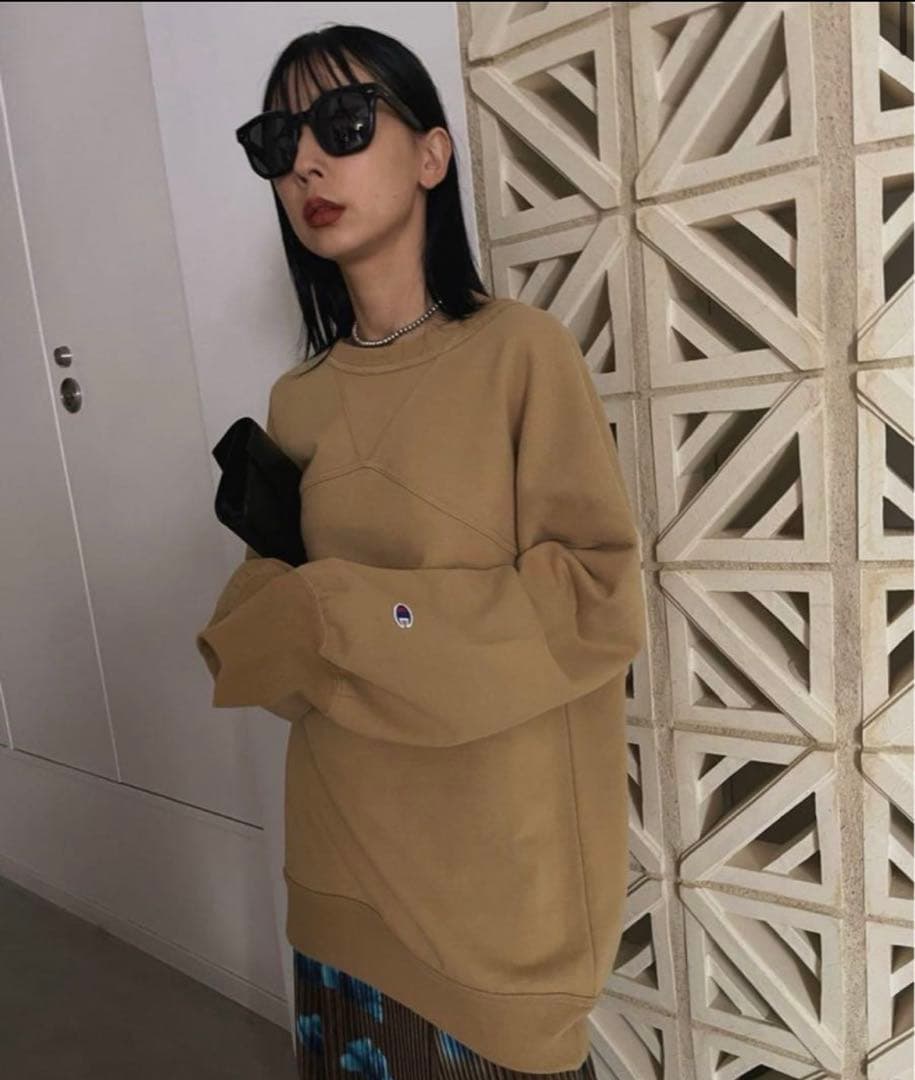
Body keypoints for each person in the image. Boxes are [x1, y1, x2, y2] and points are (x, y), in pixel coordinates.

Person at [196, 22, 647, 1080]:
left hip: (496, 902)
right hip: (337, 866)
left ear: (432, 154)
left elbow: (595, 601)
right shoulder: (298, 401)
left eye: (343, 123)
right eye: (278, 141)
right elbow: (281, 641)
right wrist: (286, 617)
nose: (306, 164)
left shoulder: (519, 355)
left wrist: (345, 615)